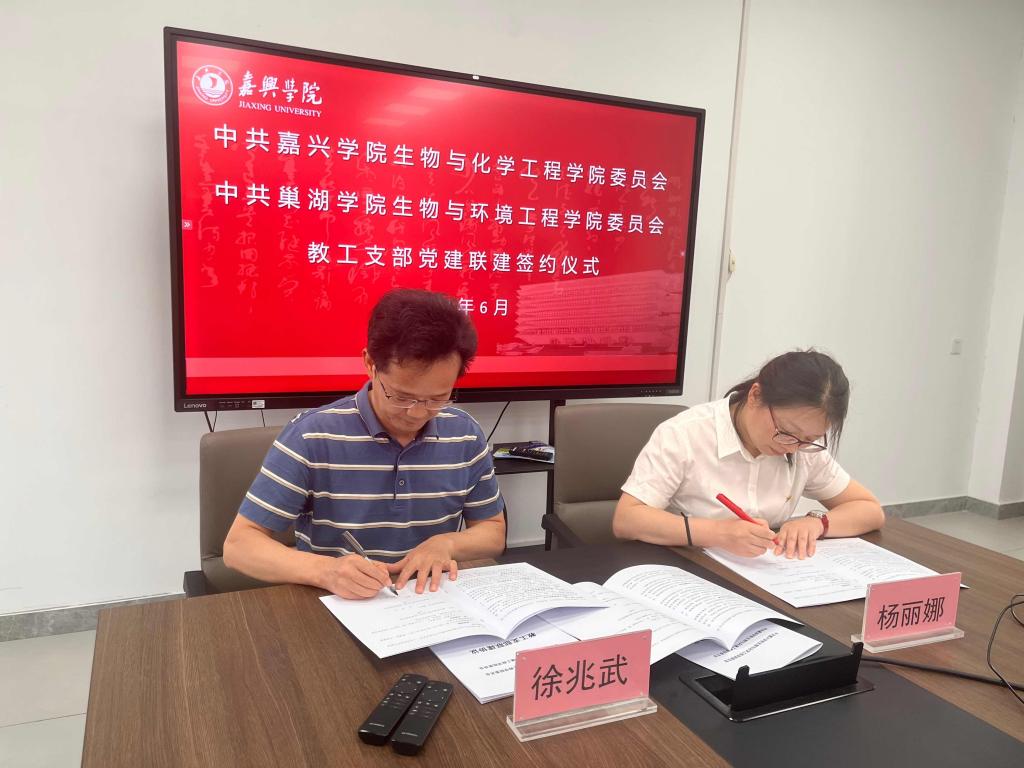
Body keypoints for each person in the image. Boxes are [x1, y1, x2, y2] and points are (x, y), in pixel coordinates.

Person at [223, 289, 506, 599]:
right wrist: (326, 571)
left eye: (438, 398)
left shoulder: (465, 434)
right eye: (401, 396)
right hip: (340, 603)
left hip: (428, 601)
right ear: (370, 363)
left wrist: (447, 543)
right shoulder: (312, 436)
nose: (417, 413)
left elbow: (493, 531)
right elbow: (239, 546)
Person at [612, 350, 884, 559]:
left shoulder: (803, 447)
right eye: (786, 432)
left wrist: (817, 523)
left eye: (809, 439)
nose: (792, 447)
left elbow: (869, 509)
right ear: (755, 395)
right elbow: (627, 520)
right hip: (689, 567)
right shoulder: (685, 434)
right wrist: (717, 533)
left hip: (766, 573)